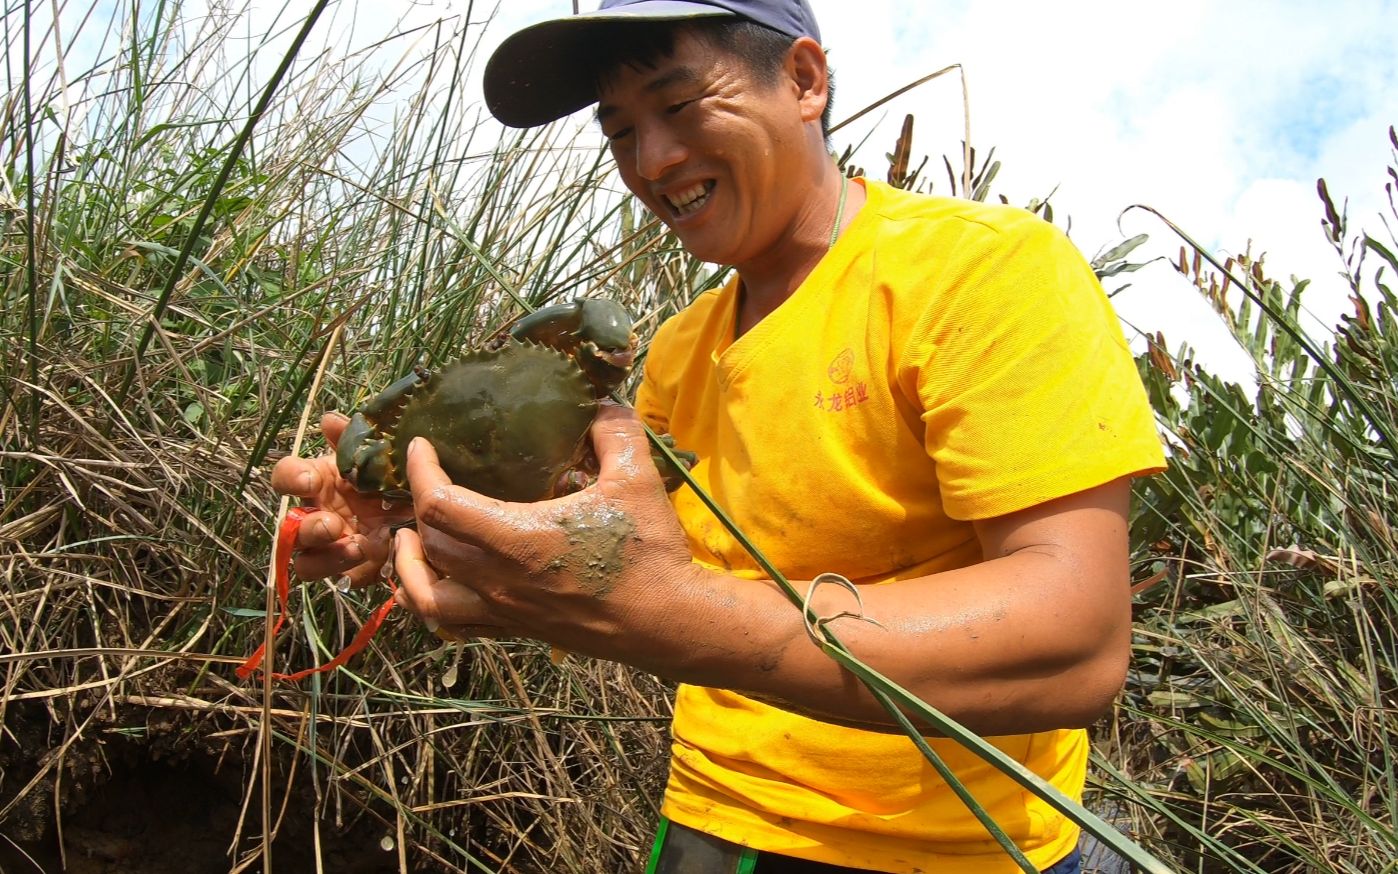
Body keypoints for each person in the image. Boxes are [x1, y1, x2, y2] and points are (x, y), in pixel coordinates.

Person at [271, 1, 1166, 871]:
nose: (652, 159)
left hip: (963, 850)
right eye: (619, 130)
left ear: (805, 80)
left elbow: (1076, 638)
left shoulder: (982, 271)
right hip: (708, 824)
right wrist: (411, 520)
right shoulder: (676, 354)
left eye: (680, 103)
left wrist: (670, 618)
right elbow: (599, 551)